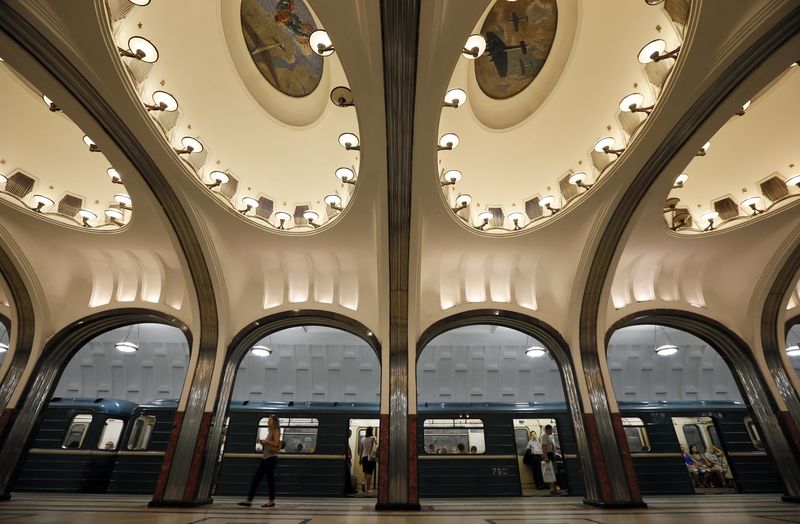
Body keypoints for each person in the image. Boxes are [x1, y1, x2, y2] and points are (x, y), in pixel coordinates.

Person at [239, 415, 281, 508]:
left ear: (274, 422)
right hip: (266, 458)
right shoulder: (270, 431)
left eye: (269, 420)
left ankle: (270, 501)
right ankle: (249, 500)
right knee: (257, 479)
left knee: (269, 480)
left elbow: (276, 443)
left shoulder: (276, 431)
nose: (268, 422)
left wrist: (265, 442)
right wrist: (264, 442)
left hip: (271, 459)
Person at [540, 424, 561, 495]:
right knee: (551, 472)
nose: (552, 430)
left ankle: (554, 488)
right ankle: (552, 489)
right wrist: (546, 456)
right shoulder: (544, 436)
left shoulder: (549, 437)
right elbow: (544, 447)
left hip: (551, 454)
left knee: (554, 471)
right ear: (548, 429)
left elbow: (552, 446)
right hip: (548, 455)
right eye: (551, 429)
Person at [358, 426, 378, 494]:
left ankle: (364, 482)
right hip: (371, 457)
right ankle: (368, 489)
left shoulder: (363, 439)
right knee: (370, 473)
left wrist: (360, 459)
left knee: (365, 472)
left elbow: (361, 450)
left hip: (364, 457)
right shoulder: (374, 438)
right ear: (371, 431)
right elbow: (377, 446)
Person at [344, 429, 357, 495]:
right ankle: (349, 489)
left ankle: (350, 489)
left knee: (348, 474)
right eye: (349, 433)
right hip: (346, 460)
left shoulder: (346, 440)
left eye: (351, 433)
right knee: (348, 474)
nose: (350, 434)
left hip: (348, 460)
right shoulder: (345, 441)